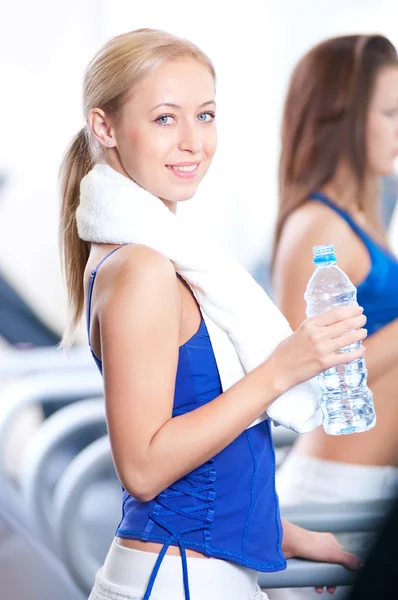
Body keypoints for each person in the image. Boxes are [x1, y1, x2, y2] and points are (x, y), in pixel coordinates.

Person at [59, 29, 362, 600]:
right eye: (165, 119)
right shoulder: (143, 268)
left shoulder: (159, 257)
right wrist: (281, 370)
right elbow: (145, 469)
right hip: (175, 577)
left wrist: (284, 534)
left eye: (205, 115)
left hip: (193, 571)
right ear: (105, 127)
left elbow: (206, 448)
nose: (193, 142)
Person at [270, 34, 398, 598]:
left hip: (368, 486)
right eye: (391, 112)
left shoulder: (359, 218)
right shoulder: (318, 230)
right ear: (342, 118)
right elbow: (304, 379)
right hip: (335, 493)